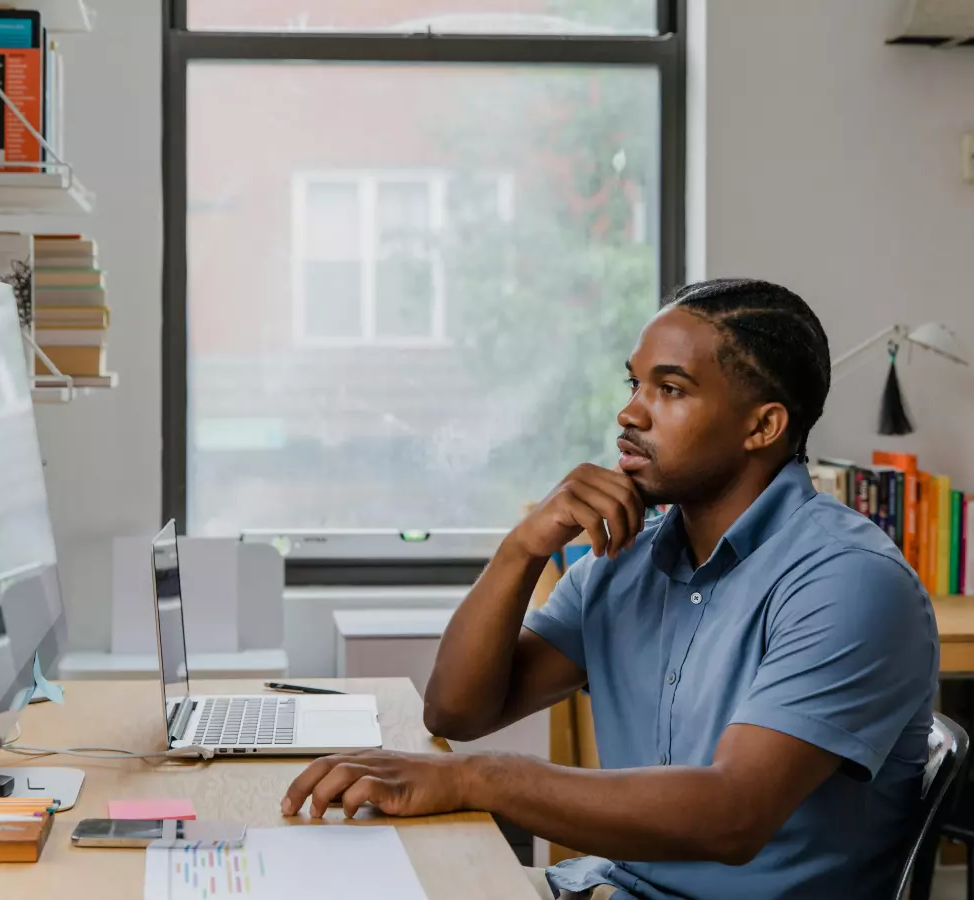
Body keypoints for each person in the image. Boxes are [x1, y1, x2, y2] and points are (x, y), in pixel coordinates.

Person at [280, 279, 939, 900]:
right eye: (635, 383)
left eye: (671, 389)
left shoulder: (849, 581)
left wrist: (479, 779)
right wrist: (521, 549)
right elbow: (457, 712)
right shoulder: (626, 559)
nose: (630, 412)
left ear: (762, 427)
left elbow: (734, 816)